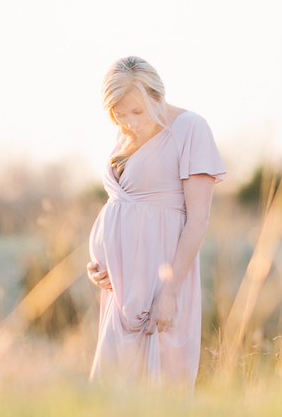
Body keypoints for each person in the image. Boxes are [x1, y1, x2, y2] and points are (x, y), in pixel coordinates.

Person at [86, 56, 226, 387]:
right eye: (119, 115)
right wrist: (98, 262)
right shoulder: (122, 139)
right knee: (111, 392)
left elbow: (198, 219)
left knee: (157, 387)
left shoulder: (190, 129)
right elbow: (119, 205)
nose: (129, 121)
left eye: (137, 111)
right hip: (120, 289)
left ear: (157, 95)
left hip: (161, 280)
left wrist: (170, 293)